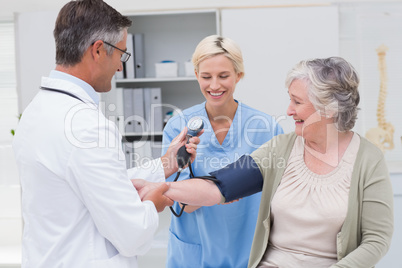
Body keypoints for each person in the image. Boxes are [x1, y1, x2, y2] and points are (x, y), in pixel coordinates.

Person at [134, 57, 394, 268]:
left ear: (329, 109)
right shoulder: (282, 149)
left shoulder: (368, 160)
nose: (289, 110)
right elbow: (218, 187)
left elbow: (376, 240)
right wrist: (155, 188)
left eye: (297, 102)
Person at [12, 0, 201, 267]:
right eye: (121, 54)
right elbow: (132, 234)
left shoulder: (37, 111)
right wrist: (153, 203)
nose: (121, 67)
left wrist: (164, 166)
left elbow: (91, 184)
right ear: (99, 50)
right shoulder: (85, 126)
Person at [161, 35, 283, 267]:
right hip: (195, 255)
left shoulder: (266, 128)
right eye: (206, 77)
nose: (214, 85)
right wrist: (183, 167)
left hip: (249, 253)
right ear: (196, 75)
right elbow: (183, 205)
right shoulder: (179, 127)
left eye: (224, 76)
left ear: (239, 75)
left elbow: (279, 200)